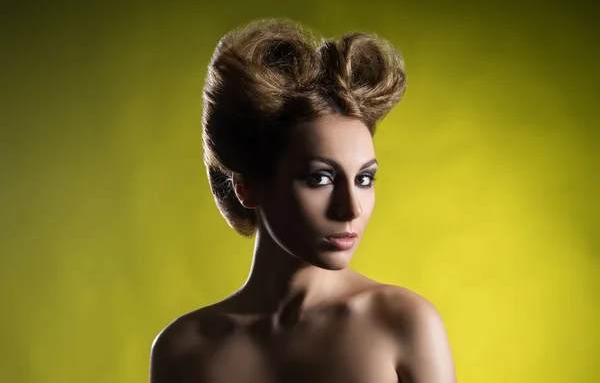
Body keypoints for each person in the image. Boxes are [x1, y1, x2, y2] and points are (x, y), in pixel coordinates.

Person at [149, 19, 456, 383]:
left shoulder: (403, 324)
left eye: (363, 179)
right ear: (246, 186)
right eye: (320, 178)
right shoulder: (184, 349)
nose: (350, 209)